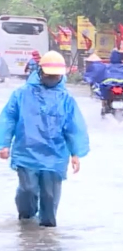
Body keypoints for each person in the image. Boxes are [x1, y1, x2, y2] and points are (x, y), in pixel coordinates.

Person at [0, 51, 90, 227]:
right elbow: (8, 117)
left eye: (55, 76)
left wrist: (75, 153)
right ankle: (26, 222)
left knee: (50, 196)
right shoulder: (22, 94)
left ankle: (47, 234)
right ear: (40, 72)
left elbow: (73, 127)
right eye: (49, 75)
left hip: (55, 154)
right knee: (28, 189)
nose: (52, 78)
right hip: (26, 151)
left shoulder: (66, 99)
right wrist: (4, 143)